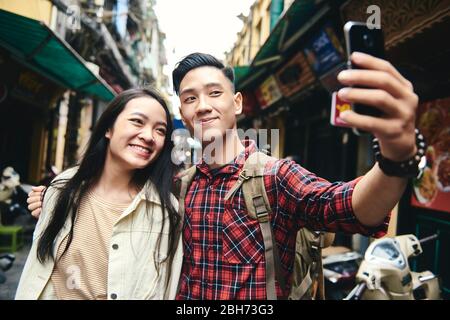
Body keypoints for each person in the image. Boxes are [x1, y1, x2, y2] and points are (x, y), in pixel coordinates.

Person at [29, 51, 421, 300]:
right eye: (189, 97)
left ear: (236, 104)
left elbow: (350, 208)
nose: (202, 106)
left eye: (214, 93)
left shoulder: (275, 177)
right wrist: (58, 196)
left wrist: (396, 158)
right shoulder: (178, 187)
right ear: (182, 113)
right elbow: (114, 205)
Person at [17, 88, 183, 300]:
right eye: (137, 122)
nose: (149, 136)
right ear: (108, 129)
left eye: (160, 130)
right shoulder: (62, 188)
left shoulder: (166, 211)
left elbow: (165, 290)